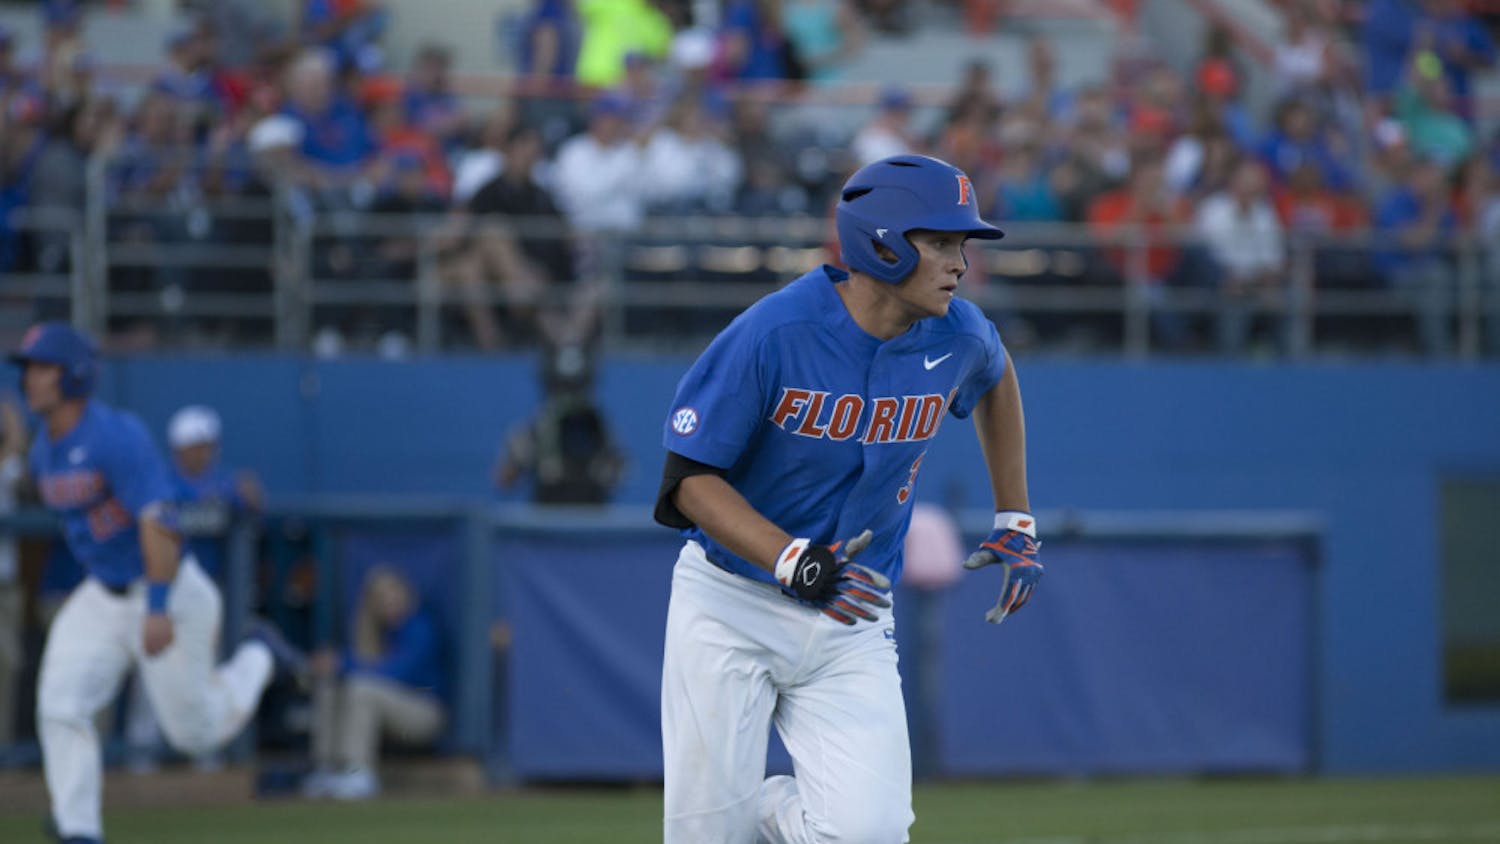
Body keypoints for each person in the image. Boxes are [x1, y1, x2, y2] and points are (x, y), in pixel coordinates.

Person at [653, 154, 1043, 843]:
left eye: (963, 245)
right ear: (883, 241)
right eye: (943, 242)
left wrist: (1014, 514)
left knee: (870, 834)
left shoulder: (958, 331)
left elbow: (996, 369)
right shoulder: (774, 332)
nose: (960, 262)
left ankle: (763, 811)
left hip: (853, 612)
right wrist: (791, 560)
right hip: (731, 602)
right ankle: (739, 812)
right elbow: (688, 482)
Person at [12, 322, 303, 844]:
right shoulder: (42, 452)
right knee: (59, 703)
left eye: (42, 368)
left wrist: (160, 604)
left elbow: (159, 517)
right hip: (103, 592)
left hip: (167, 589)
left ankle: (257, 657)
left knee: (194, 734)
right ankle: (79, 830)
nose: (30, 378)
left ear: (74, 374)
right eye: (28, 367)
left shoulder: (115, 434)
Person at [303, 565, 444, 801]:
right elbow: (359, 666)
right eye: (381, 598)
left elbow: (396, 673)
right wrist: (329, 666)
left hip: (425, 715)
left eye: (393, 594)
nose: (389, 602)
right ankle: (327, 769)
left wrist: (341, 664)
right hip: (386, 715)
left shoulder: (421, 627)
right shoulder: (372, 633)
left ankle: (358, 773)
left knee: (361, 689)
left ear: (405, 594)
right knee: (330, 687)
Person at [0, 392, 26, 750]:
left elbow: (19, 459)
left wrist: (9, 411)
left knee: (8, 663)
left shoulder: (11, 466)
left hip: (5, 581)